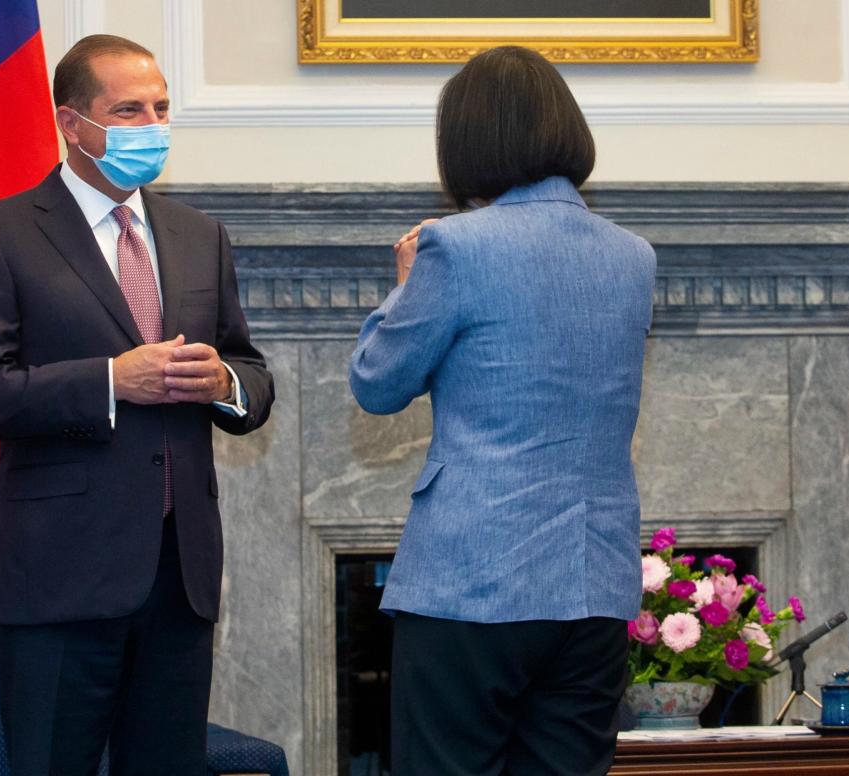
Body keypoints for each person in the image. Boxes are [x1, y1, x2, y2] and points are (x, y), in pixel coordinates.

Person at [0, 34, 274, 775]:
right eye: (128, 110)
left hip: (177, 575)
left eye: (160, 108)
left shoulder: (198, 234)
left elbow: (248, 367)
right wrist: (108, 381)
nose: (151, 126)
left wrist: (225, 384)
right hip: (60, 576)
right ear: (73, 123)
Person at [348, 46, 656, 776]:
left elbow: (377, 384)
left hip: (472, 582)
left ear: (468, 140)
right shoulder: (633, 255)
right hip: (593, 583)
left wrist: (403, 286)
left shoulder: (453, 248)